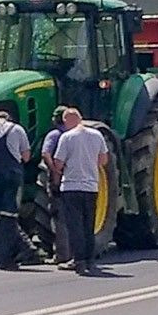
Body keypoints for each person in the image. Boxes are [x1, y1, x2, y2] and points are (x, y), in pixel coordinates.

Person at [0, 110, 39, 270]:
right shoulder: (18, 129)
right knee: (9, 215)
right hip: (12, 175)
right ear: (9, 119)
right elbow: (26, 156)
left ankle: (24, 247)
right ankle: (8, 257)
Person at [53, 108, 109, 277]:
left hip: (71, 186)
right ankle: (90, 260)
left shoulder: (67, 137)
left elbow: (58, 162)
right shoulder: (97, 135)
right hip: (91, 187)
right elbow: (103, 160)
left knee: (75, 226)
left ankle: (79, 261)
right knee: (88, 225)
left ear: (67, 121)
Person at [41, 106, 72, 270]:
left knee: (58, 218)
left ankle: (62, 255)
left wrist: (54, 171)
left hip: (58, 180)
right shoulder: (73, 135)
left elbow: (46, 154)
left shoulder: (54, 135)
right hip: (73, 181)